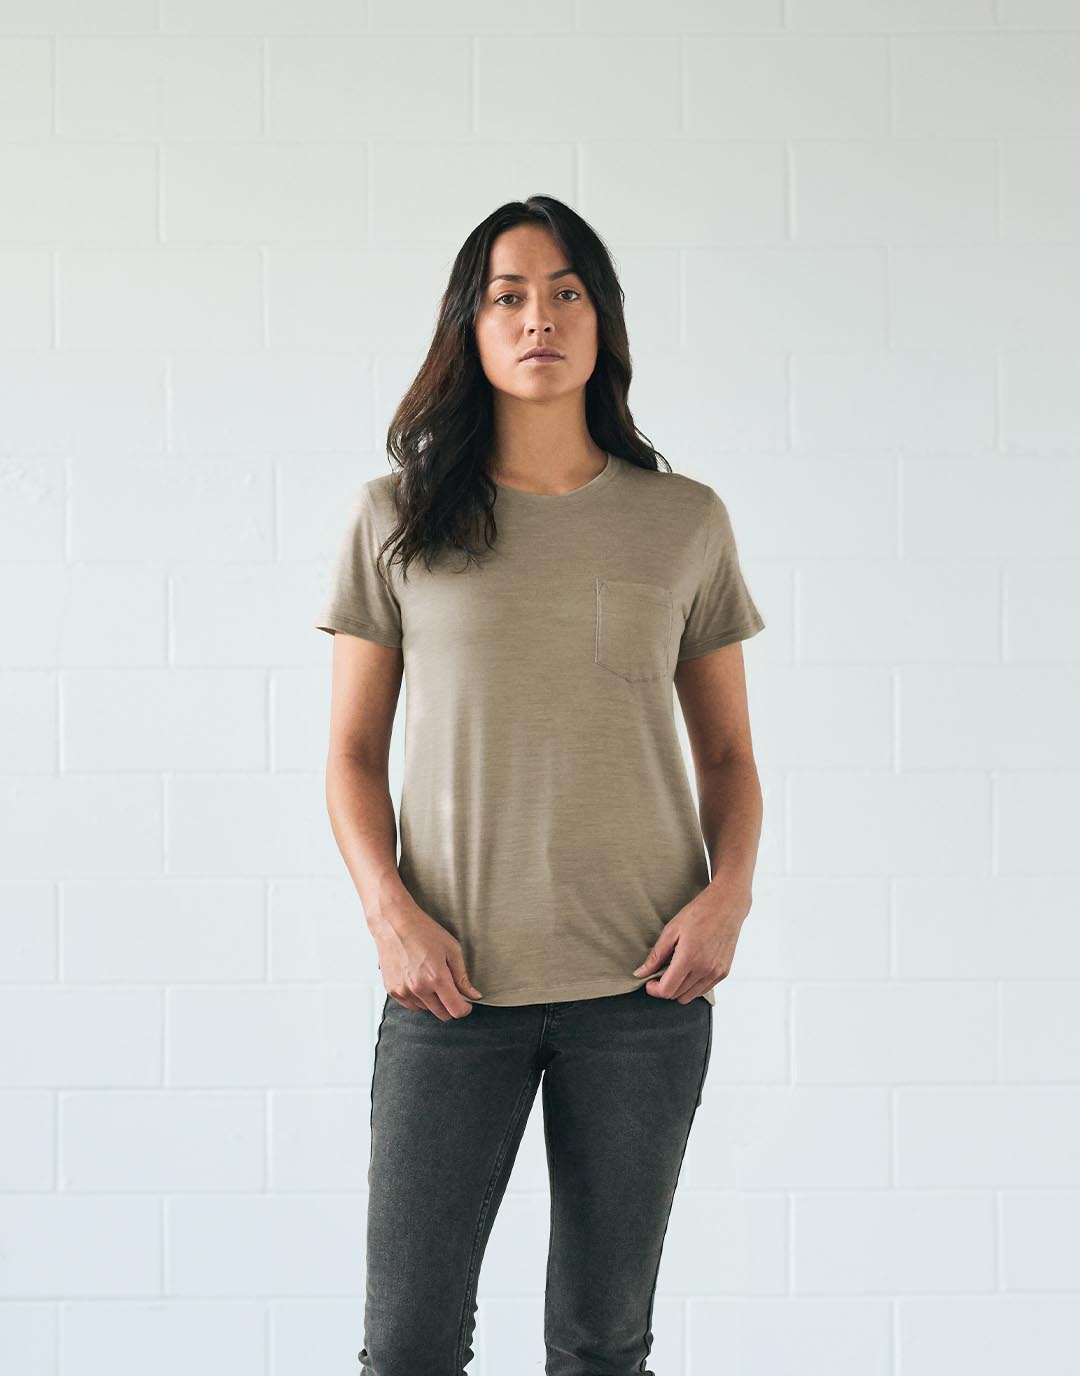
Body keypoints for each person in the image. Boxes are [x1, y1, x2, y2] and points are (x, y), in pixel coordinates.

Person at [316, 195, 766, 1376]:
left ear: (601, 321)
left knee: (602, 1345)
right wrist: (390, 913)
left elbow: (727, 756)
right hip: (449, 992)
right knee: (408, 1345)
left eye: (566, 290)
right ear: (469, 325)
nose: (538, 317)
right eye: (508, 294)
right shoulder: (396, 519)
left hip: (643, 994)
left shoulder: (683, 520)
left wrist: (730, 896)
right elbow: (352, 754)